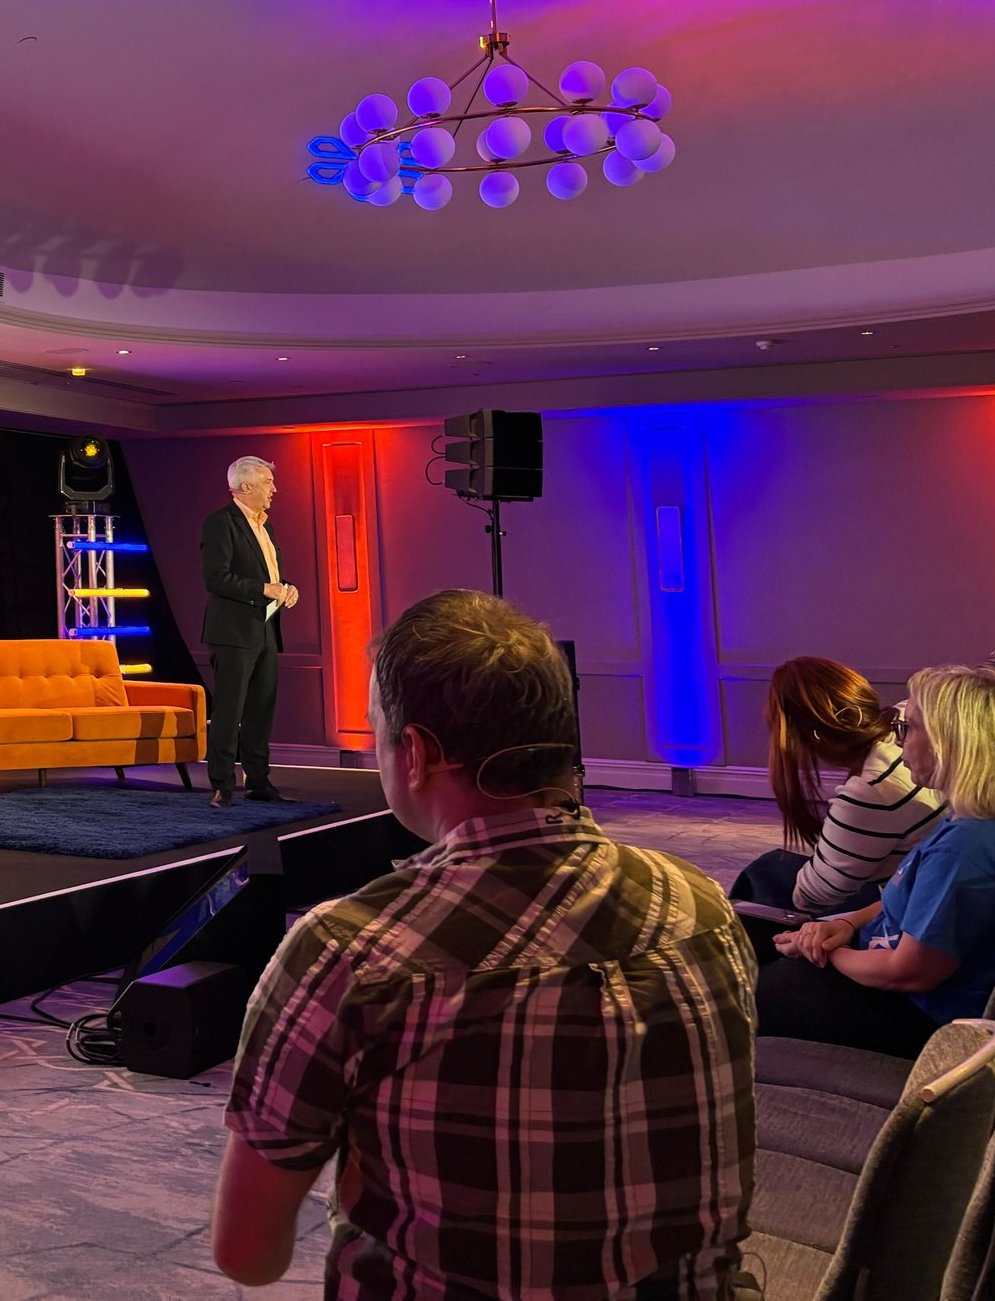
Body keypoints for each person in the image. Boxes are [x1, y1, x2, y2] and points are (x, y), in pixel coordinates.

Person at [214, 590, 755, 1299]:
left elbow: (248, 1255)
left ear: (415, 754)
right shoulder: (702, 906)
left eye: (379, 730)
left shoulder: (346, 954)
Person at [759, 656, 995, 1058]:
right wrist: (847, 923)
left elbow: (909, 974)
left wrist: (830, 953)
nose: (897, 739)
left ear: (950, 741)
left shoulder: (967, 849)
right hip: (887, 963)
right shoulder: (984, 816)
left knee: (755, 996)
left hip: (928, 1020)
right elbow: (910, 896)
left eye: (906, 727)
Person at [732, 656, 943, 916]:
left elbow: (812, 897)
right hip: (919, 882)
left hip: (901, 909)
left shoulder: (871, 790)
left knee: (763, 877)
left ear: (810, 737)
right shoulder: (904, 716)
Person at [199, 456, 298, 807]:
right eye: (268, 482)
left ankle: (258, 781)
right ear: (246, 487)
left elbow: (270, 575)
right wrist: (263, 589)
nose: (275, 489)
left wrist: (286, 588)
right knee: (230, 709)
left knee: (261, 708)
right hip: (234, 632)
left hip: (266, 627)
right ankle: (222, 784)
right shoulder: (220, 523)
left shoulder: (265, 526)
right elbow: (217, 578)